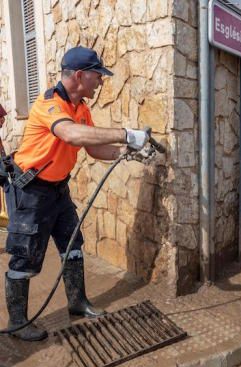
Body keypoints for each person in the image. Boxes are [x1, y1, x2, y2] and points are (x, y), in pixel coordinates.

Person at [2, 46, 152, 341]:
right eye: (98, 76)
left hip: (58, 190)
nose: (101, 82)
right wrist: (126, 133)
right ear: (81, 75)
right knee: (25, 256)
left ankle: (77, 302)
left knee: (72, 243)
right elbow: (71, 134)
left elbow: (93, 148)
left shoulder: (81, 108)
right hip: (31, 191)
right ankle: (18, 323)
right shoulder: (49, 104)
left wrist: (127, 152)